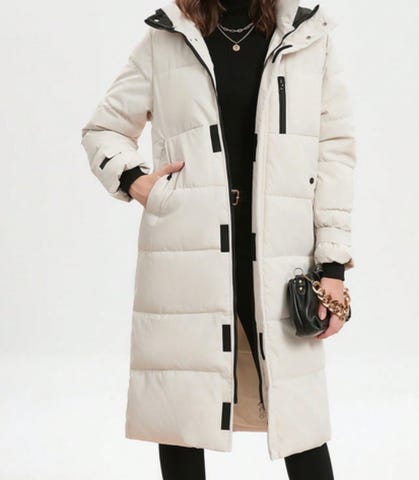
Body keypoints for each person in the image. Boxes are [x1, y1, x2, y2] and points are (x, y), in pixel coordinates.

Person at [81, 0, 356, 478]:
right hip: (187, 248)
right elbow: (103, 129)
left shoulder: (308, 37)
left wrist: (332, 266)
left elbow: (334, 155)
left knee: (301, 422)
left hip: (280, 255)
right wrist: (136, 182)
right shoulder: (167, 37)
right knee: (182, 413)